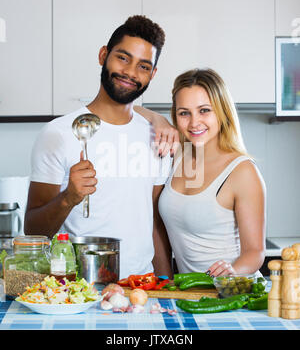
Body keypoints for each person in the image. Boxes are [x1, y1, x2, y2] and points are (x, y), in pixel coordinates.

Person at [24, 15, 179, 279]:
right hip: (79, 290)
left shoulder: (158, 138)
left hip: (141, 287)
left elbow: (153, 223)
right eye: (123, 58)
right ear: (103, 55)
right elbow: (34, 230)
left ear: (152, 75)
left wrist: (166, 287)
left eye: (143, 66)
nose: (130, 72)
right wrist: (68, 198)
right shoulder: (58, 134)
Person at [138, 68, 266, 277]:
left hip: (233, 294)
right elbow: (132, 110)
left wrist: (232, 270)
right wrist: (159, 120)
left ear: (222, 111)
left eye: (204, 110)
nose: (194, 122)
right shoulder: (177, 154)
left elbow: (255, 252)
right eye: (184, 113)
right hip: (190, 294)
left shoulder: (242, 171)